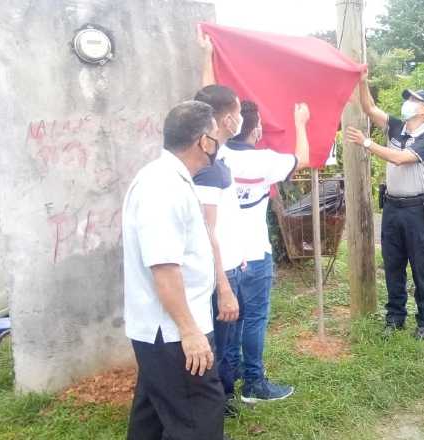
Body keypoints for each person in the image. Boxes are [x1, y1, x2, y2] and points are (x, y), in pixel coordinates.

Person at [199, 29, 312, 403]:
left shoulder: (213, 152)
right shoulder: (266, 162)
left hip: (224, 258)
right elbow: (304, 158)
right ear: (256, 129)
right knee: (255, 320)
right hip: (256, 254)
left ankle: (225, 392)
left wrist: (207, 58)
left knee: (225, 325)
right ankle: (255, 384)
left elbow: (206, 110)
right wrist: (300, 123)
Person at [122, 101, 225, 439]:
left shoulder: (170, 179)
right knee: (199, 421)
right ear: (203, 141)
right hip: (173, 333)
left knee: (151, 418)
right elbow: (164, 269)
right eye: (216, 136)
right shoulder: (162, 187)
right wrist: (191, 333)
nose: (218, 143)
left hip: (166, 332)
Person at [346, 71, 424, 340]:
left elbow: (400, 158)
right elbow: (369, 108)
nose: (407, 102)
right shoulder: (397, 126)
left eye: (413, 100)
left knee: (420, 266)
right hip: (392, 208)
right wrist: (363, 82)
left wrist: (367, 143)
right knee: (393, 264)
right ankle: (395, 316)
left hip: (417, 211)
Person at [192, 84, 243, 414]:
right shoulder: (208, 169)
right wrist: (223, 284)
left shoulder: (219, 158)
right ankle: (213, 404)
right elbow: (206, 230)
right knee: (218, 345)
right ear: (227, 119)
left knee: (227, 343)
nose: (241, 118)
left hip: (231, 266)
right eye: (238, 112)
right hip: (218, 274)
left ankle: (222, 396)